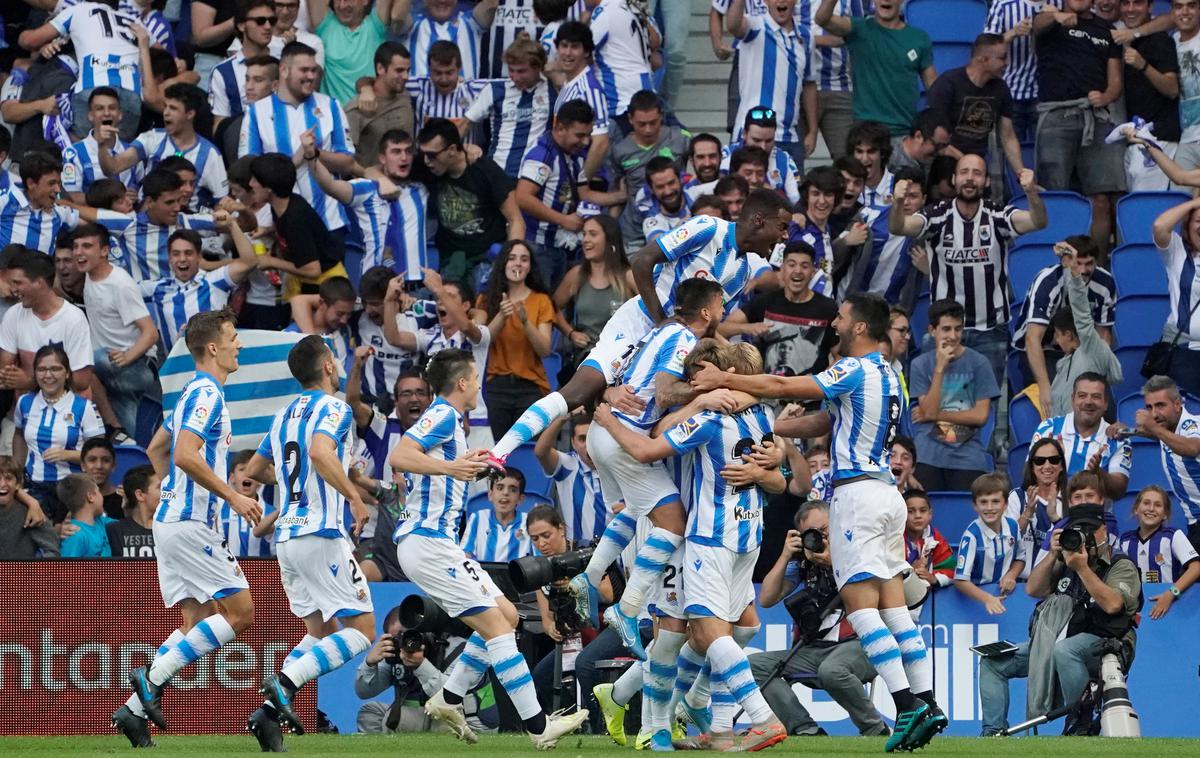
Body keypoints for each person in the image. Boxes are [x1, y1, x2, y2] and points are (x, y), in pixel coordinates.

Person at [691, 293, 944, 752]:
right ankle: (928, 702)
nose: (837, 321)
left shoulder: (854, 367)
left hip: (857, 495)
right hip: (888, 494)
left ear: (861, 328)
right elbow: (829, 419)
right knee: (891, 606)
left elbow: (787, 388)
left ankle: (905, 708)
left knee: (860, 605)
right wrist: (776, 430)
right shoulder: (892, 375)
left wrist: (722, 378)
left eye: (843, 316)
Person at [483, 189, 792, 472]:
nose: (784, 236)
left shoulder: (742, 272)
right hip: (640, 321)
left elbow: (710, 321)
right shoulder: (708, 228)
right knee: (579, 391)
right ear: (759, 220)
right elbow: (643, 262)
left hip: (676, 342)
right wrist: (660, 323)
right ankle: (499, 453)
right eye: (781, 227)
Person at [388, 348, 589, 747]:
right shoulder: (442, 413)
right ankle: (538, 727)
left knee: (508, 615)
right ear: (462, 383)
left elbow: (436, 468)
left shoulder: (452, 424)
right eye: (475, 378)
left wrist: (469, 463)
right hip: (426, 542)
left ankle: (448, 698)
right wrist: (452, 467)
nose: (479, 384)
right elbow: (399, 455)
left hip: (439, 542)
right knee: (499, 629)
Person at [592, 341, 788, 751]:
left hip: (712, 533)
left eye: (710, 373)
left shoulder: (727, 417)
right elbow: (655, 433)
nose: (701, 379)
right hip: (671, 530)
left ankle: (709, 716)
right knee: (673, 633)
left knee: (727, 630)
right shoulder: (695, 410)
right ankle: (657, 726)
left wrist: (763, 471)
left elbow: (783, 481)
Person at [113, 310, 260, 748]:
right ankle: (149, 678)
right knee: (242, 614)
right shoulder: (207, 394)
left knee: (195, 620)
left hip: (173, 519)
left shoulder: (192, 392)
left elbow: (158, 446)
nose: (239, 345)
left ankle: (134, 713)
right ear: (213, 347)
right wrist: (231, 495)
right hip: (191, 523)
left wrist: (175, 492)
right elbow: (182, 454)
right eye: (233, 338)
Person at [568, 281, 727, 658]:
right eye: (720, 303)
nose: (724, 309)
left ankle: (588, 578)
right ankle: (627, 608)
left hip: (602, 432)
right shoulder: (684, 339)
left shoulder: (659, 332)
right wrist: (707, 391)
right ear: (706, 311)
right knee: (672, 521)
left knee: (637, 509)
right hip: (624, 434)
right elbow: (663, 392)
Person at [240, 335, 375, 750]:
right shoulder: (335, 407)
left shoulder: (283, 416)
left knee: (320, 632)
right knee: (362, 631)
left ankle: (267, 715)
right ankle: (282, 686)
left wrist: (291, 488)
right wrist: (353, 496)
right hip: (320, 534)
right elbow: (319, 451)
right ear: (329, 366)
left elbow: (255, 469)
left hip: (287, 541)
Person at [977, 497, 1142, 736]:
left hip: (1108, 642)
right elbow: (1033, 589)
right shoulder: (1067, 557)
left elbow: (1114, 605)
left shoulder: (1120, 563)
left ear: (1104, 530)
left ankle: (1080, 723)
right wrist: (1053, 555)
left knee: (1065, 651)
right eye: (1077, 530)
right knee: (993, 661)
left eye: (1089, 530)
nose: (1083, 536)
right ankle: (993, 732)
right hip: (1060, 636)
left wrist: (1083, 569)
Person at [889, 157, 1047, 383]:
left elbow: (1038, 222)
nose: (970, 178)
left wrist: (1031, 192)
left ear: (986, 181)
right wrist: (897, 203)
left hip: (990, 330)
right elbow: (899, 226)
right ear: (954, 179)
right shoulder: (938, 216)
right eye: (964, 172)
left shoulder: (997, 216)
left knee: (985, 408)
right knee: (940, 404)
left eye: (977, 173)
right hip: (945, 331)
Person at [749, 500, 890, 737]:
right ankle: (805, 729)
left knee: (832, 670)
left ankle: (875, 729)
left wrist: (833, 561)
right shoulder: (805, 562)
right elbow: (766, 598)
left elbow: (876, 585)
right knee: (754, 667)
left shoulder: (859, 550)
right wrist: (785, 555)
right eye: (811, 534)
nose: (820, 537)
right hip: (812, 648)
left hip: (860, 644)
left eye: (824, 530)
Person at [240, 42, 356, 253]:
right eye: (304, 70)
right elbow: (248, 168)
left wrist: (315, 153)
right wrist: (295, 159)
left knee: (334, 286)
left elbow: (348, 163)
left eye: (314, 70)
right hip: (281, 225)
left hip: (329, 222)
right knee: (292, 286)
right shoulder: (257, 113)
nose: (311, 76)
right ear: (284, 70)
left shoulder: (330, 106)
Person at [1032, 0, 1126, 249]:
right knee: (1053, 198)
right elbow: (1037, 25)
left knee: (1102, 200)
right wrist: (1056, 17)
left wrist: (1106, 96)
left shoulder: (1106, 29)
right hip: (1056, 116)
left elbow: (1115, 81)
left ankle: (1096, 267)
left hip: (1096, 117)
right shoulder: (1049, 19)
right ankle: (1054, 264)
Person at [72, 223, 160, 437]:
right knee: (134, 436)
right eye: (75, 247)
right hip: (114, 370)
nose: (79, 252)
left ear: (104, 251)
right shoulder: (89, 276)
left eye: (86, 246)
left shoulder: (120, 284)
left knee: (92, 360)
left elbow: (150, 332)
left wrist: (127, 356)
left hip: (137, 366)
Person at [1012, 235, 1117, 411]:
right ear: (1065, 261)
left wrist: (1096, 375)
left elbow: (1103, 335)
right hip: (1042, 351)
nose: (1083, 270)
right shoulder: (1047, 282)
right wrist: (1045, 387)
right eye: (1077, 263)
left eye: (1089, 263)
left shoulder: (1105, 283)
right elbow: (1032, 339)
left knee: (1102, 405)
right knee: (1059, 399)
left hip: (1081, 351)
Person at [417, 118, 524, 288]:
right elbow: (376, 168)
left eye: (431, 155)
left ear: (452, 149)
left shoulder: (486, 170)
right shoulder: (428, 165)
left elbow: (515, 220)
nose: (426, 161)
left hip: (487, 260)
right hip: (451, 263)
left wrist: (510, 263)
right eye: (423, 154)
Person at [515, 99, 609, 289]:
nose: (585, 142)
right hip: (537, 246)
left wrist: (622, 196)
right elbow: (523, 197)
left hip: (562, 246)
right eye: (579, 135)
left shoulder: (575, 156)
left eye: (588, 135)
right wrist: (563, 220)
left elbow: (585, 194)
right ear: (559, 128)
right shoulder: (543, 155)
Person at [909, 299, 1001, 491]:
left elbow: (980, 416)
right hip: (928, 453)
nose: (953, 335)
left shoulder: (979, 363)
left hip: (967, 455)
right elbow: (930, 410)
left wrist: (934, 415)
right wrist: (940, 369)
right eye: (946, 329)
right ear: (932, 330)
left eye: (958, 329)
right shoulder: (920, 364)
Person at [17, 0, 143, 140]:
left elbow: (30, 41)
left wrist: (22, 36)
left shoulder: (78, 10)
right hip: (132, 92)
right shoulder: (135, 21)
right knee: (118, 152)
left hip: (92, 88)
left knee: (82, 150)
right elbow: (164, 57)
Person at [816, 0, 936, 139]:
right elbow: (822, 19)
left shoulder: (919, 38)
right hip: (866, 133)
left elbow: (933, 87)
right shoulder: (859, 28)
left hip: (905, 133)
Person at [12, 345, 105, 524]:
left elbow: (99, 455)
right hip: (35, 487)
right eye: (42, 369)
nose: (48, 375)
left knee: (70, 544)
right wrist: (17, 470)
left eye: (55, 369)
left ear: (67, 373)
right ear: (35, 373)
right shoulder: (25, 402)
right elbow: (18, 434)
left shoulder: (82, 406)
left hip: (73, 490)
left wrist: (67, 455)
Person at [99, 84, 229, 209]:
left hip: (186, 226)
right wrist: (102, 145)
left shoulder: (210, 154)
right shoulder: (151, 138)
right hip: (147, 221)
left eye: (173, 108)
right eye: (165, 106)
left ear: (190, 114)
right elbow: (112, 168)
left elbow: (222, 202)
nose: (166, 112)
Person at [1109, 375, 1200, 553]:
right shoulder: (1168, 430)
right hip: (1195, 524)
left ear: (1177, 404)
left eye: (1160, 405)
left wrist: (1152, 426)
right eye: (1149, 407)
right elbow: (1158, 435)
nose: (1155, 413)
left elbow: (1192, 448)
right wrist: (1128, 431)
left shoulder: (1192, 425)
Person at [723, 241, 837, 379]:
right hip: (765, 394)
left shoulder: (828, 308)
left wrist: (821, 384)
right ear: (782, 269)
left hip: (808, 397)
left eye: (804, 266)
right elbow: (722, 329)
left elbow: (841, 356)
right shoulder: (765, 302)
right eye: (791, 264)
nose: (798, 271)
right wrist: (748, 328)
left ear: (813, 272)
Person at [726, 0, 817, 172]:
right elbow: (733, 25)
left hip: (790, 137)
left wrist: (812, 130)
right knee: (747, 194)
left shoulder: (806, 37)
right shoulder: (755, 26)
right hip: (752, 136)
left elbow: (809, 84)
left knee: (792, 197)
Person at [475, 241, 554, 438]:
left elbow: (545, 349)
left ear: (529, 267)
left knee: (529, 450)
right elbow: (482, 342)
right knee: (495, 453)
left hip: (530, 387)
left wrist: (526, 322)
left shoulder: (541, 300)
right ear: (502, 263)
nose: (517, 264)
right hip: (495, 387)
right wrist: (501, 316)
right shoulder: (485, 300)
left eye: (524, 259)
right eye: (512, 258)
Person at [142, 222, 259, 351]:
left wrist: (232, 224)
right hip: (176, 369)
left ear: (199, 256)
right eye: (176, 254)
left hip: (217, 366)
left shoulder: (214, 281)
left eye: (188, 253)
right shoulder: (156, 288)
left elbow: (250, 262)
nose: (182, 259)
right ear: (169, 258)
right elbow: (120, 289)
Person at [0, 250, 95, 400]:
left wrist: (31, 383)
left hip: (68, 414)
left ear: (39, 283)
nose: (13, 289)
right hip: (26, 412)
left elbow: (82, 381)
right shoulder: (13, 315)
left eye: (18, 283)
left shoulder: (73, 318)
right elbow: (5, 373)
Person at [249, 153, 348, 297]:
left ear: (269, 188)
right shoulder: (281, 204)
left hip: (324, 288)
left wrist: (271, 261)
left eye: (255, 180)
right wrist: (270, 231)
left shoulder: (295, 218)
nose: (250, 184)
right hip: (305, 284)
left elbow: (313, 270)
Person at [925, 34, 1024, 172]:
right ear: (983, 59)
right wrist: (967, 162)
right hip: (945, 165)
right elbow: (932, 135)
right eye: (1002, 58)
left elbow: (1008, 136)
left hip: (978, 166)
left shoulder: (1001, 88)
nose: (1006, 63)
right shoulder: (948, 84)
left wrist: (1021, 174)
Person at [609, 90, 691, 253]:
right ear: (630, 119)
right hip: (634, 232)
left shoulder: (681, 138)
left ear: (661, 116)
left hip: (675, 225)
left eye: (653, 122)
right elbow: (618, 188)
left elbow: (694, 176)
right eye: (641, 124)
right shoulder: (619, 150)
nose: (648, 130)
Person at [551, 215, 636, 370]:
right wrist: (570, 333)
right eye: (584, 234)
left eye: (593, 234)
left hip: (622, 359)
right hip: (586, 358)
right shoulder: (576, 275)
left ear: (610, 239)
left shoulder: (628, 277)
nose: (585, 240)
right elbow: (549, 308)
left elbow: (652, 312)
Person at [1033, 373, 1132, 501]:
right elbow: (1028, 475)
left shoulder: (1117, 438)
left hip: (1093, 518)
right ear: (1073, 399)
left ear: (1106, 403)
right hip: (1046, 515)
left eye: (1096, 397)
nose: (1088, 402)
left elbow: (1119, 490)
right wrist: (1054, 461)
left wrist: (1098, 473)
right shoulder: (1049, 428)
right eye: (1082, 396)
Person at [464, 38, 553, 178]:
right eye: (512, 70)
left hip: (536, 174)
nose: (515, 77)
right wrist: (461, 149)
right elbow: (466, 122)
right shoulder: (495, 89)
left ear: (538, 68)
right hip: (497, 171)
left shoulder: (552, 89)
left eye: (522, 71)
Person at [1118, 0, 1181, 191]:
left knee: (1146, 208)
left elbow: (1172, 89)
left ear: (1150, 7)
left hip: (1157, 138)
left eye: (1137, 3)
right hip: (1132, 138)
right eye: (1125, 3)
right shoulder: (1124, 37)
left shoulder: (1160, 40)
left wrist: (1143, 65)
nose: (1130, 9)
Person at [1117, 484, 1200, 618]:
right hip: (1134, 612)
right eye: (1146, 503)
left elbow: (1196, 568)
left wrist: (1170, 594)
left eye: (1157, 505)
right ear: (1136, 509)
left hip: (1167, 609)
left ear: (1165, 514)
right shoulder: (1125, 541)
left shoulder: (1173, 536)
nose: (1151, 508)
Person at [953, 473, 1028, 616]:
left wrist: (1011, 575)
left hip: (1005, 596)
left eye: (995, 501)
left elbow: (1020, 558)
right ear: (975, 505)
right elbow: (960, 580)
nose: (989, 507)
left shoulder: (1013, 526)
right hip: (976, 600)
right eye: (983, 502)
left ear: (1005, 504)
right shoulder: (971, 536)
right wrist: (987, 599)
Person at [534, 413, 607, 547]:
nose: (588, 444)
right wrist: (562, 419)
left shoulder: (618, 465)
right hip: (578, 554)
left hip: (619, 554)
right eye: (582, 439)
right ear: (573, 443)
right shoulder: (568, 464)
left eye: (592, 437)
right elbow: (541, 452)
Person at [1151, 196, 1200, 396]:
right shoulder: (1178, 253)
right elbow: (1160, 226)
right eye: (1198, 221)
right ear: (1187, 227)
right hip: (1183, 353)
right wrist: (1194, 202)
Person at [305, 0, 396, 105]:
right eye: (337, 1)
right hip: (334, 115)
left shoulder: (376, 26)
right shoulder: (325, 24)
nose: (342, 6)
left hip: (371, 114)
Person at [554, 21, 611, 181]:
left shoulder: (589, 89)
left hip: (577, 178)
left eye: (575, 47)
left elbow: (601, 143)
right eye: (564, 46)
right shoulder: (570, 82)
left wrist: (581, 182)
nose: (568, 53)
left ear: (586, 52)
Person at [589, 0, 658, 133]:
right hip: (644, 89)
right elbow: (656, 41)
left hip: (620, 99)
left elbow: (583, 50)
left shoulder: (605, 12)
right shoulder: (632, 5)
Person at [209, 0, 277, 132]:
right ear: (241, 25)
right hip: (241, 144)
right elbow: (219, 126)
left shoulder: (284, 63)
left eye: (272, 21)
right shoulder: (223, 71)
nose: (268, 26)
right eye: (260, 21)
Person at [61, 87, 137, 200]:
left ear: (120, 114)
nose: (106, 113)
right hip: (90, 217)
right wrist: (112, 202)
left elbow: (142, 192)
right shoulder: (73, 153)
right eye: (99, 108)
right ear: (90, 115)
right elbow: (72, 197)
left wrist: (136, 196)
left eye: (112, 108)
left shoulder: (132, 151)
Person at [348, 42, 415, 168]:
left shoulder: (407, 95)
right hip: (371, 184)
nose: (406, 76)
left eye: (408, 70)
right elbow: (346, 158)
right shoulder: (357, 108)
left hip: (407, 182)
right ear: (380, 69)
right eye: (399, 70)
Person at [1009, 437, 1069, 576]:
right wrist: (1028, 513)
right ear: (1032, 466)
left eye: (1053, 460)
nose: (1047, 466)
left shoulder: (1070, 499)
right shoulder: (1017, 497)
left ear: (1061, 465)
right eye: (1040, 461)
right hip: (1017, 584)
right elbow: (1008, 541)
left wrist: (1055, 518)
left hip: (1055, 586)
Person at [0, 153, 82, 251]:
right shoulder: (4, 202)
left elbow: (97, 221)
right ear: (31, 183)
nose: (58, 190)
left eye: (59, 183)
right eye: (51, 183)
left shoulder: (59, 213)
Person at [402, 0, 493, 81]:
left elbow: (491, 4)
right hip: (419, 99)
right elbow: (397, 16)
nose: (442, 1)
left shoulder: (471, 22)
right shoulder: (412, 25)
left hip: (464, 99)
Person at [460, 470, 532, 562]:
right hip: (483, 575)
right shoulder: (478, 518)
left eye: (513, 490)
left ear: (520, 499)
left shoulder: (529, 522)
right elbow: (465, 554)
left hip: (518, 576)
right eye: (500, 488)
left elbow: (539, 558)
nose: (505, 493)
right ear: (490, 495)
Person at [0, 455, 59, 559]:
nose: (2, 484)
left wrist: (30, 572)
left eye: (8, 478)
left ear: (18, 484)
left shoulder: (31, 513)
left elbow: (52, 551)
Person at [636, 157, 691, 245]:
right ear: (651, 189)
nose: (668, 191)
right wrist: (682, 228)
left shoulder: (696, 194)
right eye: (660, 187)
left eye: (671, 183)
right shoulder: (652, 220)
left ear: (680, 180)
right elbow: (658, 247)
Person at [57, 473, 114, 557]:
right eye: (98, 491)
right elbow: (67, 569)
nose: (102, 496)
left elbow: (129, 525)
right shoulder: (74, 535)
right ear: (90, 497)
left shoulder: (103, 522)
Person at [108, 464, 158, 558]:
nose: (167, 492)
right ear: (140, 495)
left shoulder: (173, 529)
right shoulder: (113, 531)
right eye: (160, 487)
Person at [81, 437, 123, 519]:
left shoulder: (124, 500)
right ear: (83, 466)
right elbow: (57, 528)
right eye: (92, 460)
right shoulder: (72, 498)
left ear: (113, 466)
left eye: (106, 460)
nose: (99, 466)